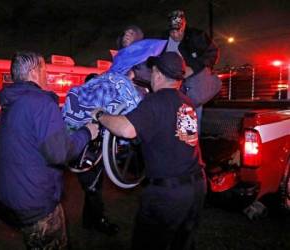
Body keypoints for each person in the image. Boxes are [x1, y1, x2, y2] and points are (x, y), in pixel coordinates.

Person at [92, 52, 207, 250]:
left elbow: (127, 129)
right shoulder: (186, 102)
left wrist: (101, 115)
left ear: (159, 74)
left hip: (168, 194)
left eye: (152, 71)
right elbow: (172, 136)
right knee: (183, 243)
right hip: (196, 187)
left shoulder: (155, 101)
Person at [0, 51, 99, 250]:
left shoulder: (12, 102)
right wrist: (87, 133)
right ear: (35, 72)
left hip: (12, 196)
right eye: (45, 70)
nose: (47, 76)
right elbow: (59, 153)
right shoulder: (40, 102)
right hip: (36, 202)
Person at [72, 73, 120, 236]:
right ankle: (99, 221)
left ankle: (88, 221)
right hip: (83, 159)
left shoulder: (100, 109)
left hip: (95, 157)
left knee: (93, 189)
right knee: (93, 191)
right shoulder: (78, 109)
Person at [165, 10, 222, 134]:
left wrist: (193, 68)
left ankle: (191, 149)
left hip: (191, 87)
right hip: (170, 88)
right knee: (171, 122)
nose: (175, 34)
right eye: (172, 31)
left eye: (179, 30)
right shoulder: (163, 40)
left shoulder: (196, 36)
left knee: (191, 124)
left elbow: (213, 53)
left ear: (184, 25)